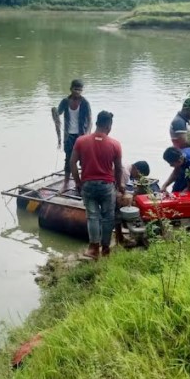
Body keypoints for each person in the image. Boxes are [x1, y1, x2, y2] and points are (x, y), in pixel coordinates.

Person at [70, 111, 123, 259]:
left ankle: (93, 249)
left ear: (97, 123)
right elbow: (118, 168)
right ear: (109, 125)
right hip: (107, 186)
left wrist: (77, 182)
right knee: (108, 217)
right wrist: (118, 185)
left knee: (92, 216)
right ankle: (105, 248)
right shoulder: (115, 144)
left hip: (87, 185)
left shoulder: (81, 141)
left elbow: (72, 162)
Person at [52, 79, 92, 190]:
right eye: (75, 89)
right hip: (68, 135)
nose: (77, 92)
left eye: (80, 90)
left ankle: (84, 181)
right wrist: (54, 112)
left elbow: (90, 120)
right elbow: (58, 114)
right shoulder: (65, 101)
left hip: (82, 136)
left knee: (84, 159)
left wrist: (87, 134)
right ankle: (66, 182)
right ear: (71, 89)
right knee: (69, 159)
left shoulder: (85, 103)